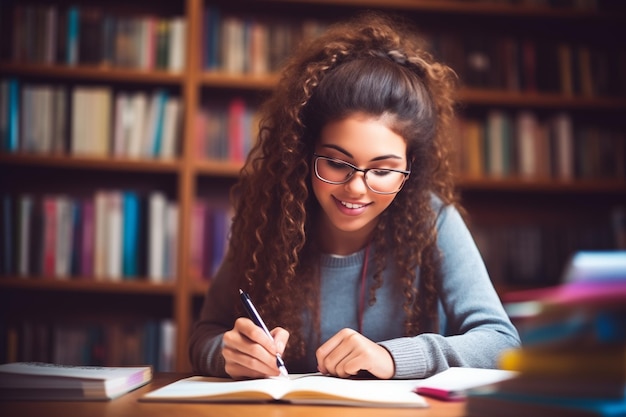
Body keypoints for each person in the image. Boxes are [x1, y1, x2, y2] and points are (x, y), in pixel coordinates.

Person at [189, 11, 520, 380]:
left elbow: (502, 343)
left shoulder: (433, 220)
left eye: (383, 170)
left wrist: (392, 358)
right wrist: (228, 354)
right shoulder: (271, 217)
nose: (356, 188)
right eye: (335, 162)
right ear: (304, 152)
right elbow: (204, 336)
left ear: (410, 169)